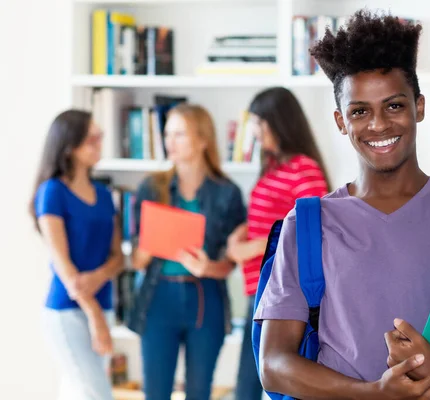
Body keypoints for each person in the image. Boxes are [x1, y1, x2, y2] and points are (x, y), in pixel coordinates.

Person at [254, 9, 430, 400]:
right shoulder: (307, 224)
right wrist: (375, 393)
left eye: (394, 105)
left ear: (419, 106)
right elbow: (273, 366)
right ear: (341, 121)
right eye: (359, 111)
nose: (379, 124)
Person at [127, 103, 246, 400]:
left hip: (205, 298)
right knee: (155, 393)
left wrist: (207, 268)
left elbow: (229, 263)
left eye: (179, 134)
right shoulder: (152, 187)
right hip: (158, 298)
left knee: (198, 392)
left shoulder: (227, 193)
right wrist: (149, 243)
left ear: (202, 139)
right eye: (167, 134)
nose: (169, 142)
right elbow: (138, 261)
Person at [226, 87, 331, 400]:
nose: (255, 133)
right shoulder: (273, 167)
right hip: (256, 289)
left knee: (255, 382)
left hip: (279, 292)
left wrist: (254, 248)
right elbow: (271, 216)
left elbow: (312, 230)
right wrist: (240, 235)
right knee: (249, 380)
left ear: (277, 122)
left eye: (258, 123)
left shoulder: (304, 168)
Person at [31, 109, 124, 399]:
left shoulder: (105, 194)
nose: (99, 144)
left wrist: (98, 277)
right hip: (67, 310)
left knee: (75, 391)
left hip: (103, 303)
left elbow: (118, 257)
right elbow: (64, 266)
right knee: (96, 393)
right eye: (92, 139)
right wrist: (95, 316)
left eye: (100, 137)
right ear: (70, 146)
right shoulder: (52, 192)